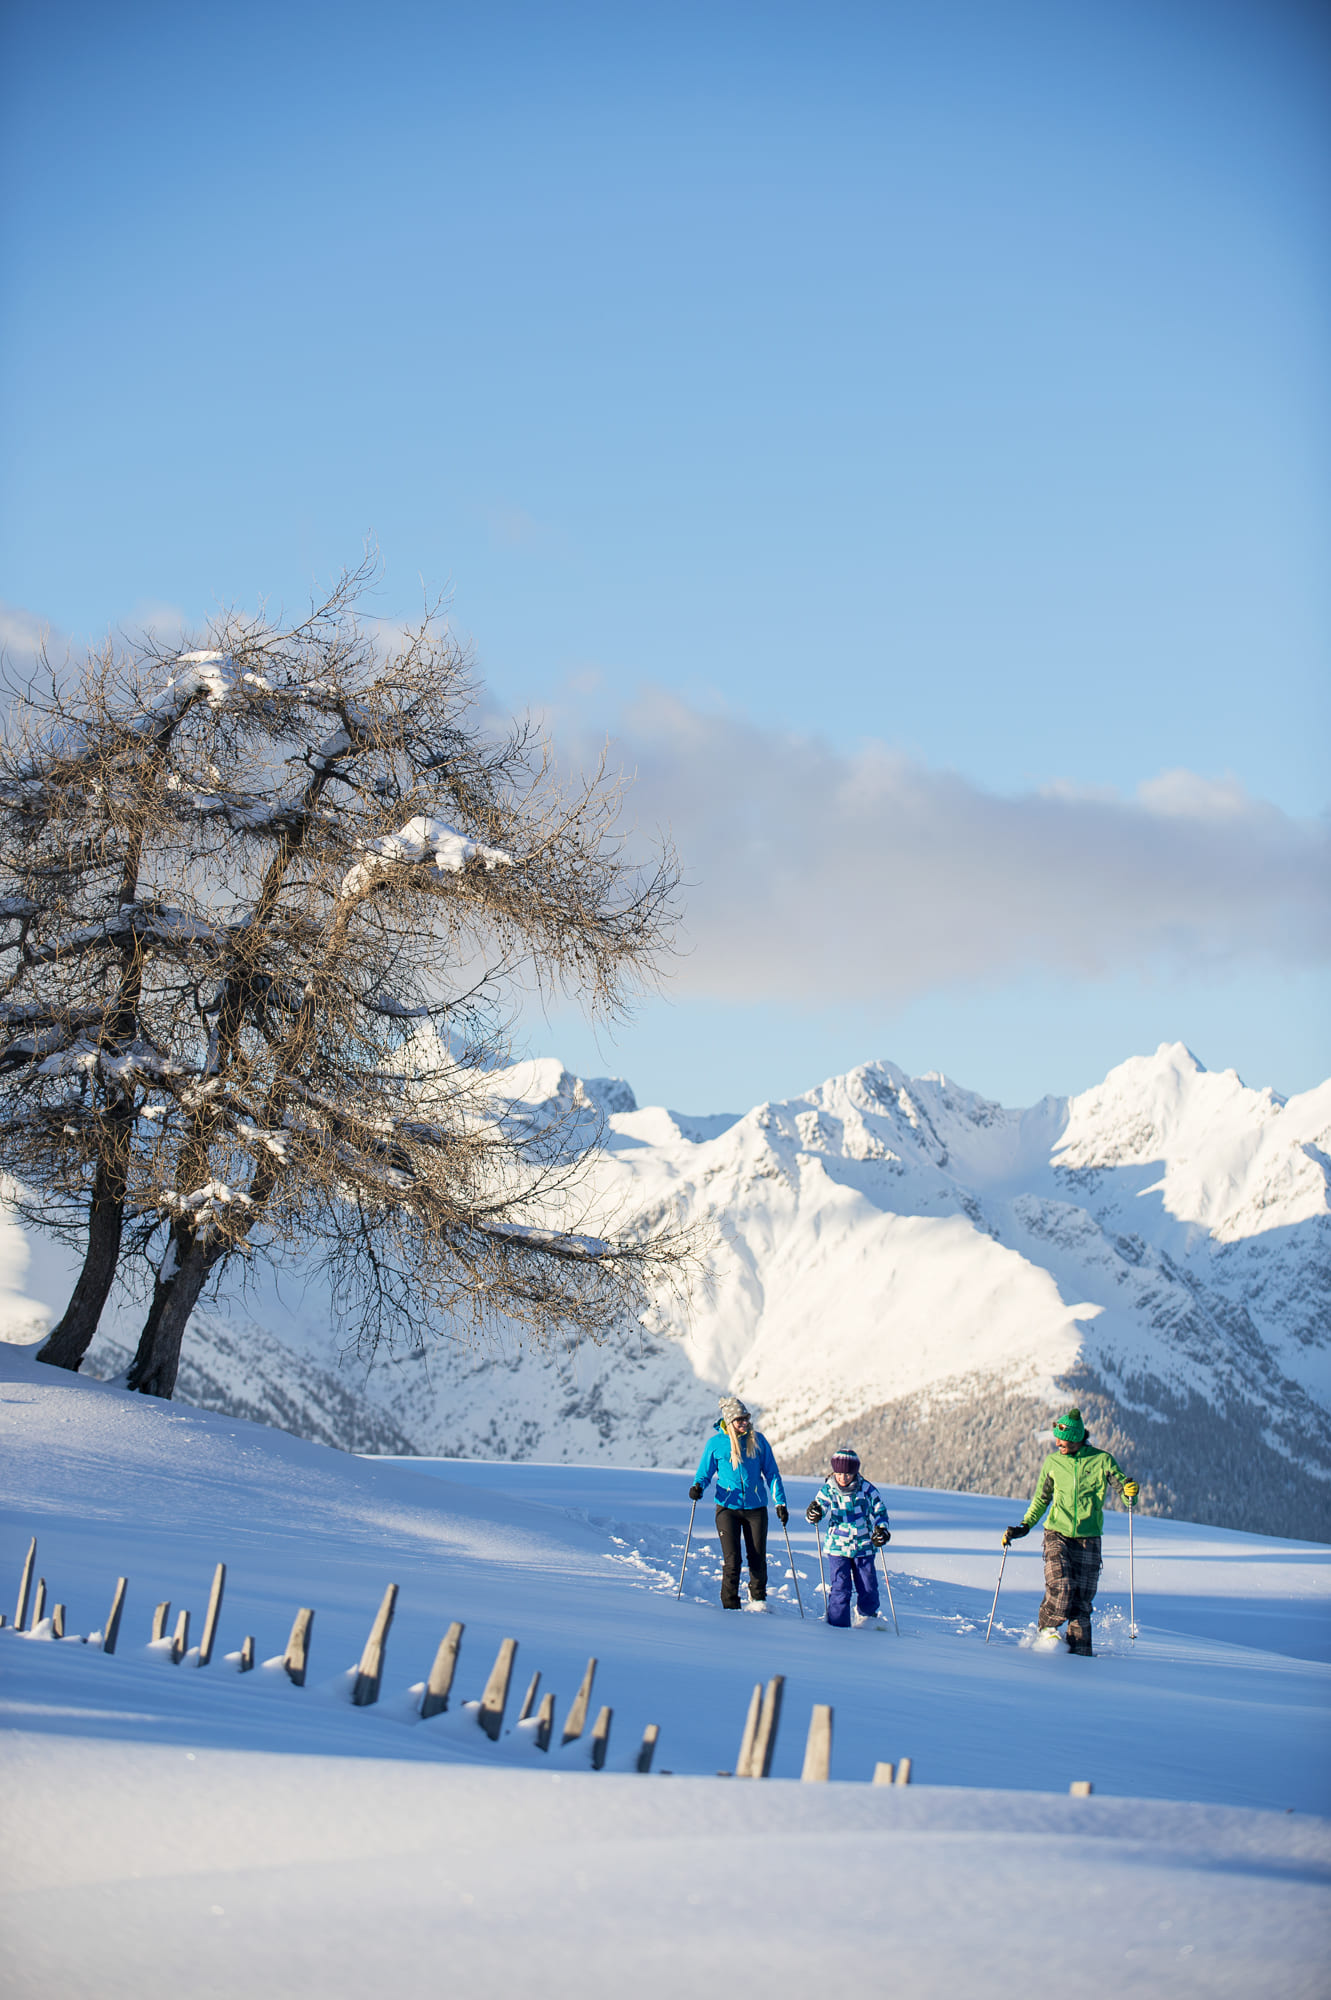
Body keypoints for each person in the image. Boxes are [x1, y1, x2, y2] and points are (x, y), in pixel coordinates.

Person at [1002, 1407, 1139, 1656]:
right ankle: (1046, 1632)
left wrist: (1130, 1492)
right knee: (1062, 1586)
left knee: (1081, 1604)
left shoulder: (1102, 1461)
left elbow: (1123, 1489)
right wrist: (1024, 1526)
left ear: (1076, 1438)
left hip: (1089, 1538)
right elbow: (1041, 1499)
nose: (1057, 1444)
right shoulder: (1053, 1463)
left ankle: (1080, 1659)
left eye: (1062, 1440)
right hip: (1057, 1533)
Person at [689, 1396, 789, 1609]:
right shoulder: (716, 1444)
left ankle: (758, 1600)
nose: (744, 1422)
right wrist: (698, 1487)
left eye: (746, 1418)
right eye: (739, 1419)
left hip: (756, 1508)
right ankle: (730, 1606)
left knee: (757, 1557)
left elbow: (772, 1473)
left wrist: (780, 1503)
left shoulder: (758, 1440)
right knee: (732, 1560)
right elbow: (704, 1473)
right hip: (727, 1507)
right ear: (729, 1420)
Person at [804, 1445, 891, 1628]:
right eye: (839, 1473)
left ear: (855, 1472)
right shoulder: (829, 1489)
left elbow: (880, 1511)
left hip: (863, 1545)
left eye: (848, 1474)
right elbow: (818, 1508)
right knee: (840, 1587)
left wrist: (881, 1529)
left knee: (868, 1585)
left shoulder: (866, 1489)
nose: (843, 1478)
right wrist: (814, 1513)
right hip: (838, 1545)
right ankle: (838, 1625)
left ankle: (868, 1619)